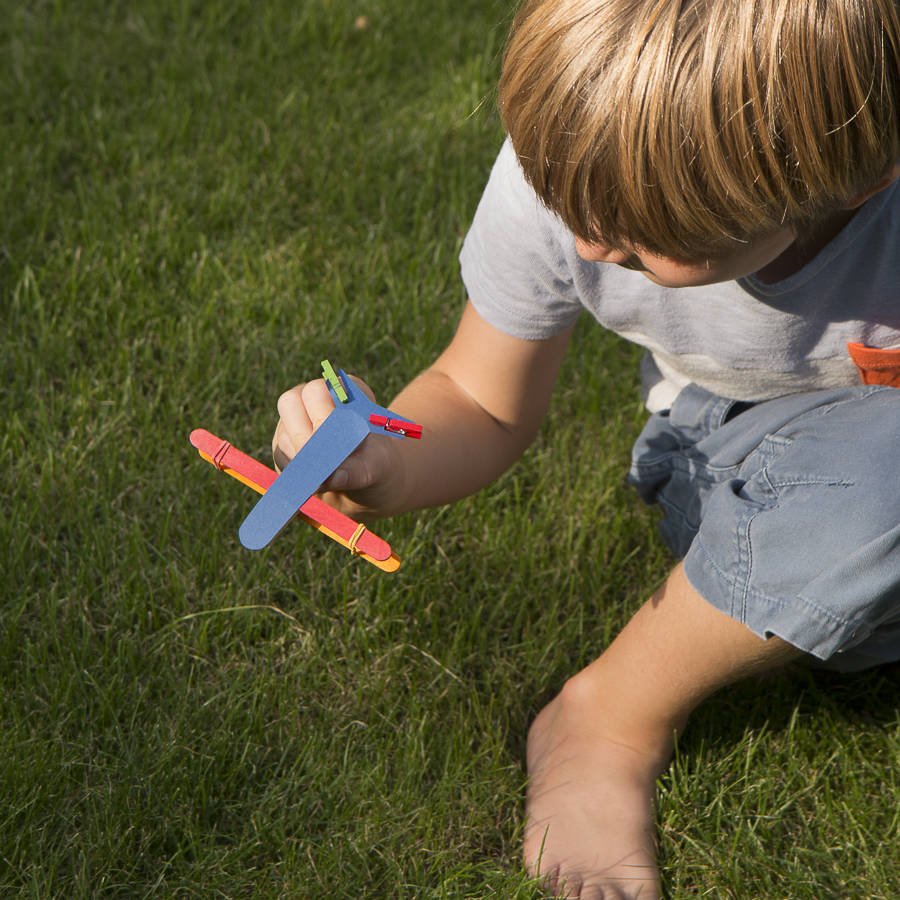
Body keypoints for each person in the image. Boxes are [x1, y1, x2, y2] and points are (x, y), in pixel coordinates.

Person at [272, 0, 900, 896]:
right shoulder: (570, 178)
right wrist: (384, 461)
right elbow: (481, 399)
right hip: (738, 471)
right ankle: (607, 718)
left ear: (860, 181)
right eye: (564, 199)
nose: (590, 241)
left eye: (651, 241)